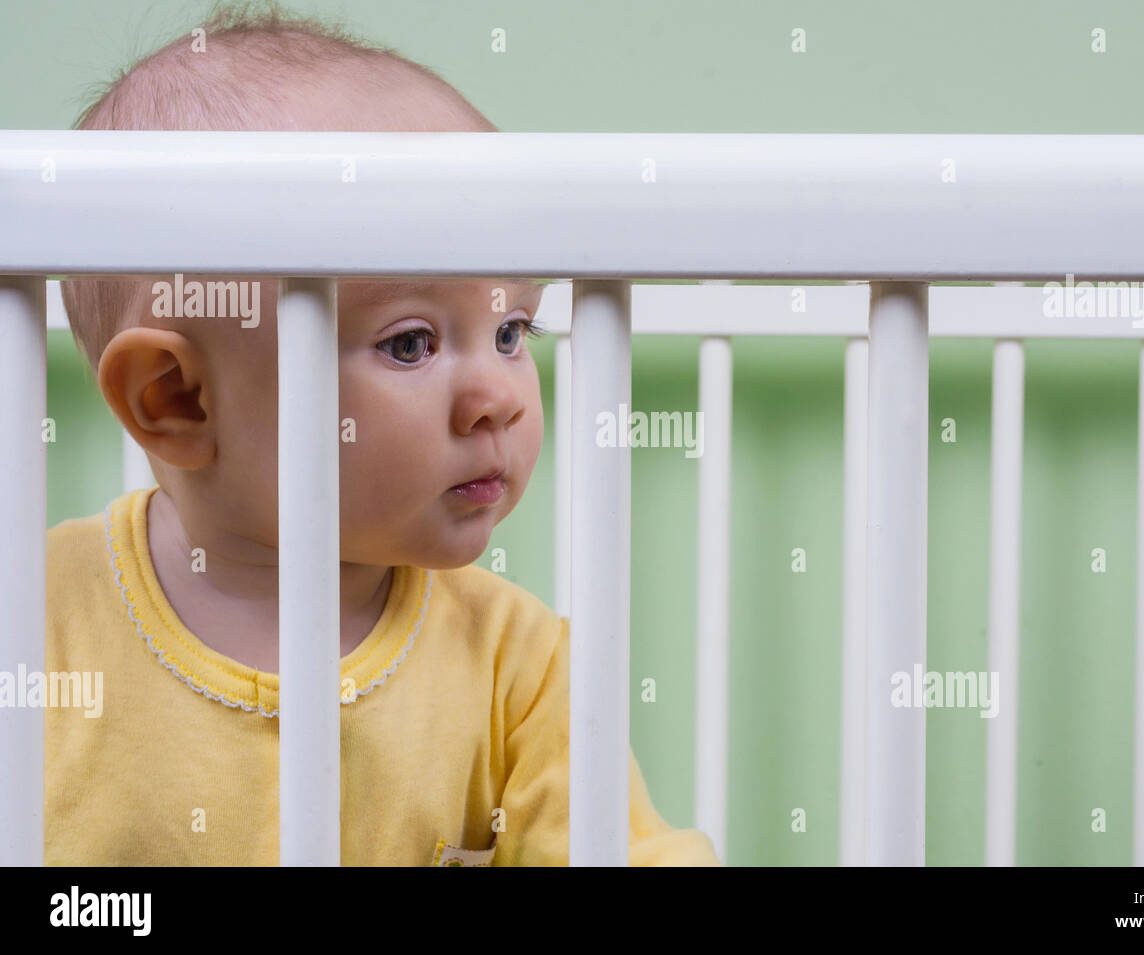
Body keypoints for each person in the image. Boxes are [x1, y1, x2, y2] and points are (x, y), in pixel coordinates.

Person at [45, 3, 720, 866]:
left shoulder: (519, 666)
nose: (498, 398)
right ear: (177, 399)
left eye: (513, 329)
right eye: (412, 342)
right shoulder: (37, 622)